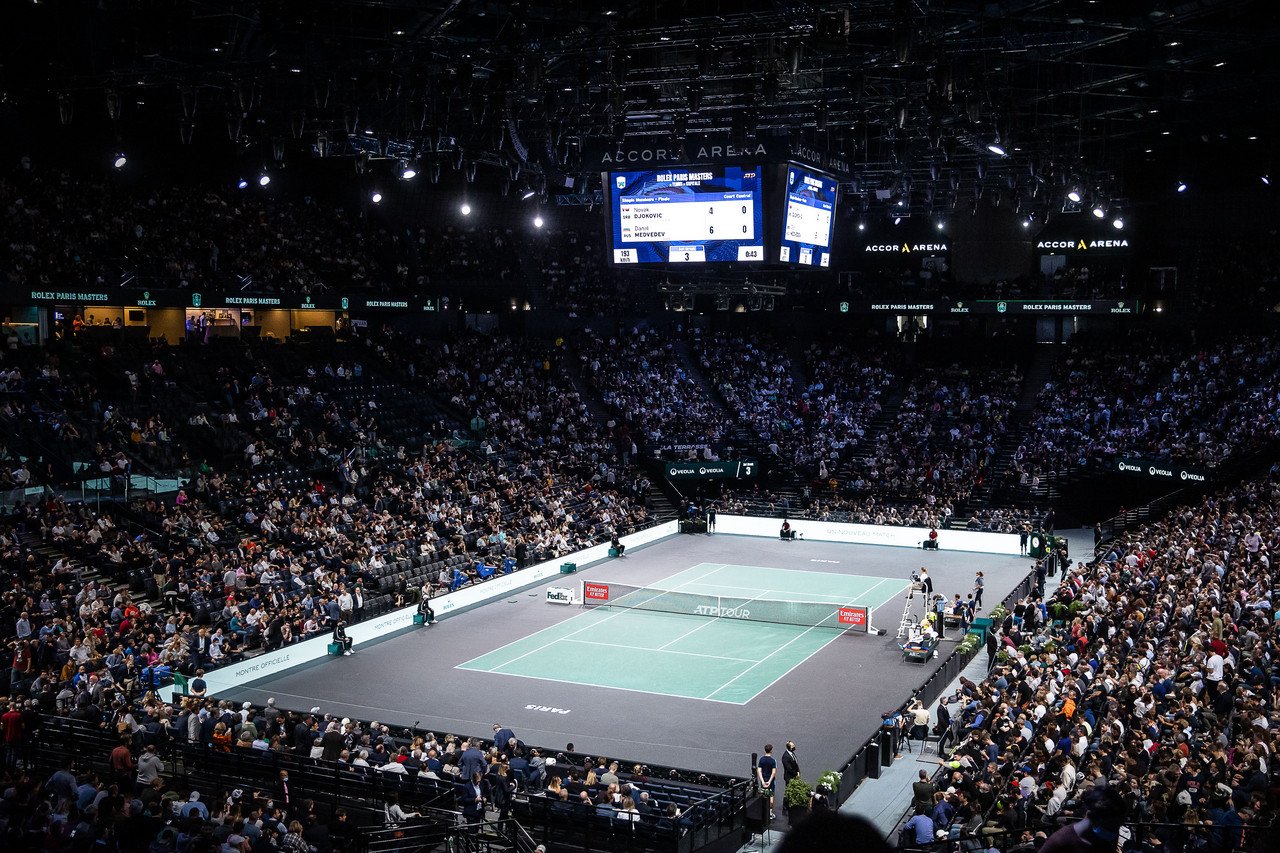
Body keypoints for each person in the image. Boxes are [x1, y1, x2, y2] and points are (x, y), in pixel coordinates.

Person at [757, 744, 778, 820]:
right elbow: (773, 772)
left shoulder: (761, 759)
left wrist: (762, 781)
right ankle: (770, 813)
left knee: (763, 794)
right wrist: (769, 781)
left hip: (763, 779)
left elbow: (759, 771)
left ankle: (763, 811)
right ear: (771, 750)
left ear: (764, 750)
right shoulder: (773, 761)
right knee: (771, 795)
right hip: (770, 781)